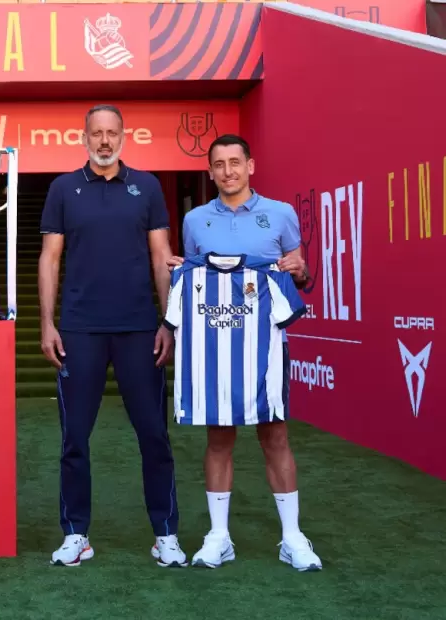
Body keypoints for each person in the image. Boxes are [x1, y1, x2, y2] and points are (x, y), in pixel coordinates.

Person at [38, 104, 187, 568]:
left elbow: (162, 256)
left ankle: (165, 534)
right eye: (96, 133)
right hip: (79, 329)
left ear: (124, 136)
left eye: (112, 133)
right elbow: (50, 258)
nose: (104, 141)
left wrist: (169, 321)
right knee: (74, 439)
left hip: (139, 328)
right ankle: (75, 534)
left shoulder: (148, 186)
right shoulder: (64, 188)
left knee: (154, 435)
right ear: (83, 138)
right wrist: (47, 322)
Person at [168, 133, 322, 571]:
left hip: (266, 346)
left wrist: (300, 269)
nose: (228, 171)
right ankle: (219, 537)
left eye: (235, 162)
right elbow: (194, 276)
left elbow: (301, 276)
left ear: (250, 165)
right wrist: (181, 271)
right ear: (210, 171)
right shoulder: (195, 220)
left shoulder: (281, 214)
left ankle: (292, 537)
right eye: (219, 164)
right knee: (219, 438)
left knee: (275, 436)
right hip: (216, 348)